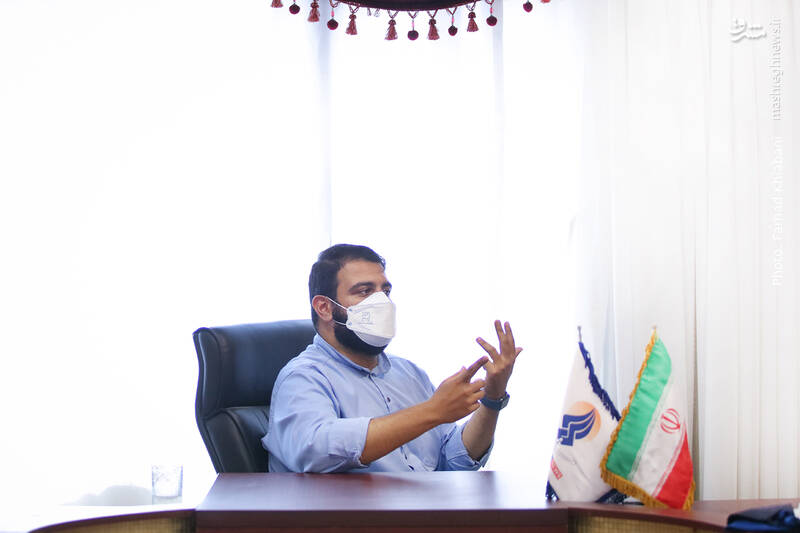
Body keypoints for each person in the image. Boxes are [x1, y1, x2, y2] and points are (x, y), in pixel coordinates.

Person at [262, 244, 522, 473]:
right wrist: (433, 411)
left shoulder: (409, 373)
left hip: (428, 507)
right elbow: (315, 450)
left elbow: (453, 462)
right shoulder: (303, 377)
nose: (381, 302)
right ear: (324, 307)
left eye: (384, 292)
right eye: (365, 291)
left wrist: (492, 399)